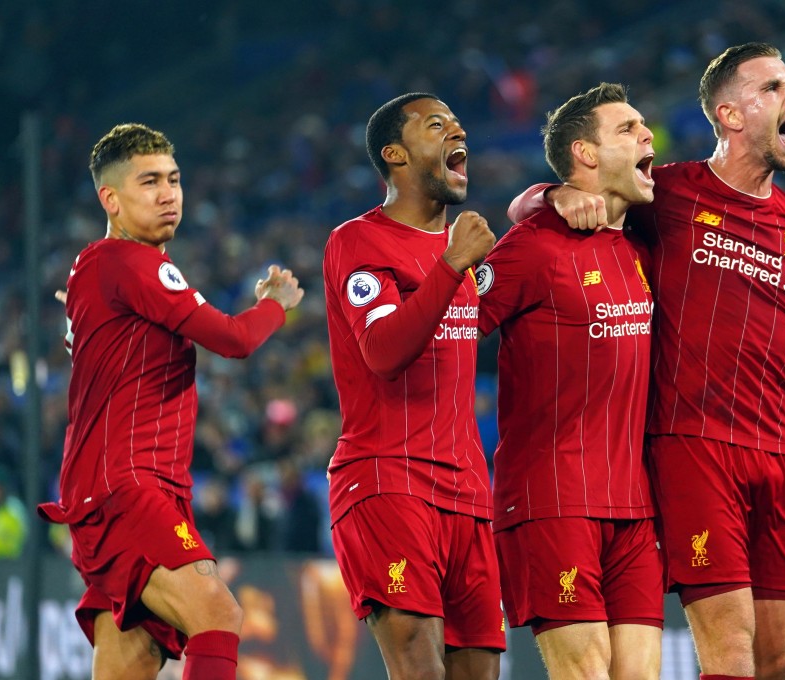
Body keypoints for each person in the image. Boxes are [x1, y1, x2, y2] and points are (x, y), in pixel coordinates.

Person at [509, 43, 785, 680]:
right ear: (730, 114)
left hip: (778, 459)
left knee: (778, 662)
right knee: (729, 649)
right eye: (774, 87)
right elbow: (559, 200)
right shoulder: (666, 194)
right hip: (693, 448)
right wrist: (544, 198)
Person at [37, 123, 304, 680]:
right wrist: (277, 305)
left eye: (174, 180)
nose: (168, 194)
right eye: (149, 181)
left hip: (122, 481)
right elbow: (234, 339)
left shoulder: (98, 266)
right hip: (128, 482)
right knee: (217, 612)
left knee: (131, 658)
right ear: (110, 198)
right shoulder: (131, 263)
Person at [476, 82, 662, 680]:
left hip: (632, 507)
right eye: (628, 129)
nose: (647, 135)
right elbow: (449, 329)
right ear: (585, 153)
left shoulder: (639, 242)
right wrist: (542, 200)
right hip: (552, 500)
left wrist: (542, 194)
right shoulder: (531, 247)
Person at [323, 93, 504, 679]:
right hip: (387, 480)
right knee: (420, 672)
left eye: (457, 121)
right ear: (395, 155)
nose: (458, 131)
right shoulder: (358, 242)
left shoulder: (470, 254)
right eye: (436, 125)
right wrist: (452, 267)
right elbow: (383, 352)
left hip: (470, 494)